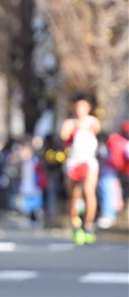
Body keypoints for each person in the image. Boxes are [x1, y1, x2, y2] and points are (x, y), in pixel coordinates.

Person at [60, 93, 101, 244]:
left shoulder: (94, 122)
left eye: (83, 107)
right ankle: (75, 227)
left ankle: (88, 226)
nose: (80, 110)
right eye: (78, 107)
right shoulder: (69, 123)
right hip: (74, 162)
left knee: (89, 192)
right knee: (74, 197)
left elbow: (98, 135)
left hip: (88, 161)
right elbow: (63, 137)